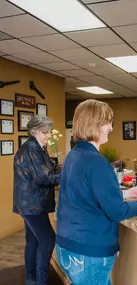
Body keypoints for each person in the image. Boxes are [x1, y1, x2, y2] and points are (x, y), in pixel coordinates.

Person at [56, 99, 137, 285]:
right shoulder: (96, 162)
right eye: (107, 123)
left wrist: (124, 194)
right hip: (88, 251)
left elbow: (83, 195)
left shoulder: (73, 155)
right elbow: (117, 211)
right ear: (95, 124)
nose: (111, 128)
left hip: (67, 246)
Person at [13, 115, 61, 285]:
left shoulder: (39, 147)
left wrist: (60, 168)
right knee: (48, 240)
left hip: (29, 203)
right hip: (32, 204)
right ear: (34, 132)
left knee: (33, 240)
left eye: (49, 132)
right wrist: (68, 175)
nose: (48, 135)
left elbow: (49, 167)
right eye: (45, 132)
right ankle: (40, 281)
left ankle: (31, 279)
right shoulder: (32, 148)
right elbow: (43, 177)